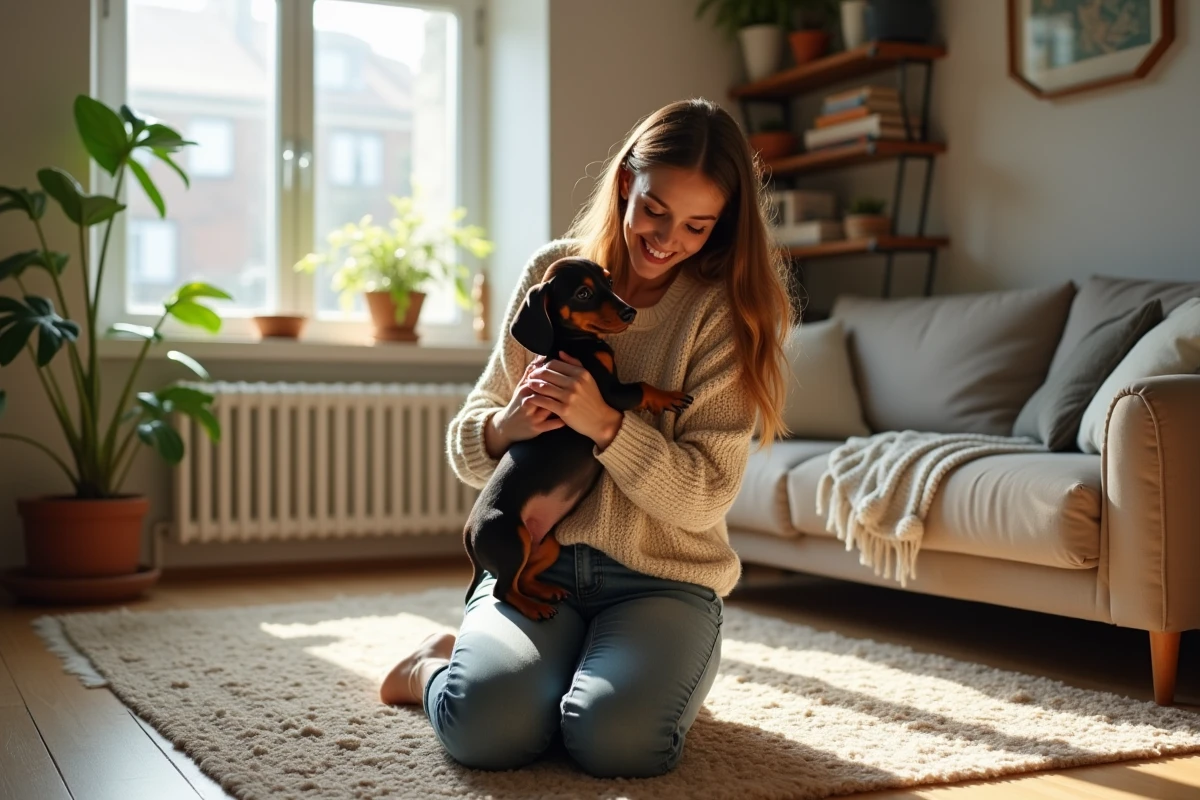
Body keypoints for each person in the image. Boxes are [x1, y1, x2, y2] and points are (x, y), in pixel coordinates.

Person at [379, 97, 792, 778]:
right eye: (655, 211)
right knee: (485, 731)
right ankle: (431, 664)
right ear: (628, 182)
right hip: (540, 569)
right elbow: (464, 444)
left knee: (619, 743)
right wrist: (506, 426)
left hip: (664, 581)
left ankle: (642, 675)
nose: (666, 239)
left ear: (722, 224)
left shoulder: (722, 313)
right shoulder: (556, 271)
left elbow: (704, 498)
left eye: (696, 225)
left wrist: (606, 423)